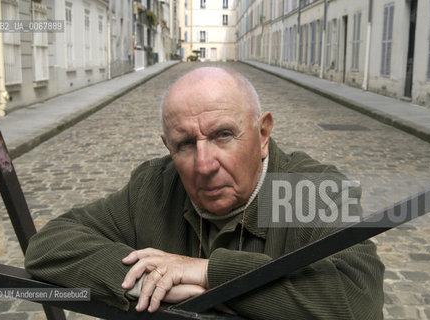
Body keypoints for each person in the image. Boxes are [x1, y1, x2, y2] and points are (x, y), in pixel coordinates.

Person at [25, 67, 384, 319]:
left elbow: (359, 303)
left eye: (222, 135)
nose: (204, 164)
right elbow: (50, 246)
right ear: (167, 147)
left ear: (263, 134)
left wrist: (208, 274)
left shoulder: (309, 190)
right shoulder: (155, 186)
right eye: (184, 144)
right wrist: (152, 283)